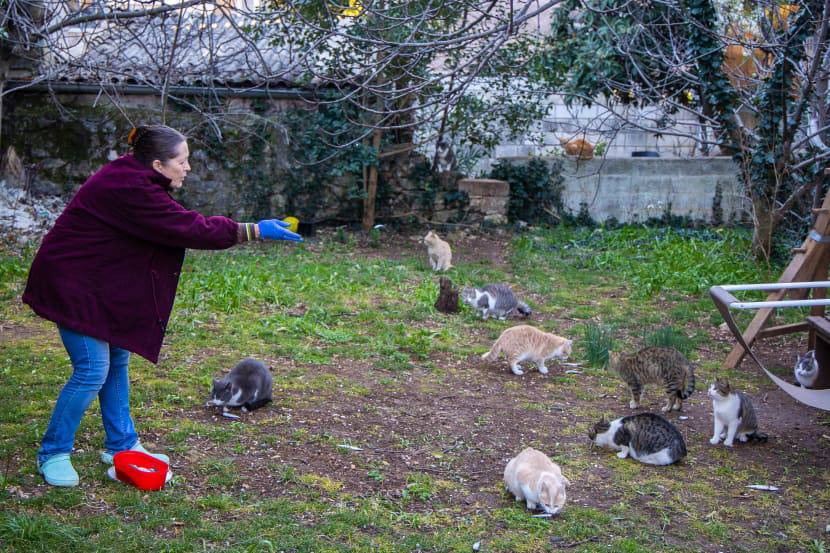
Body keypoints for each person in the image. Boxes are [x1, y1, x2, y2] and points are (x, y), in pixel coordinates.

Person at [21, 124, 302, 487]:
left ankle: (122, 445)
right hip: (72, 285)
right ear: (157, 164)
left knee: (117, 360)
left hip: (98, 284)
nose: (187, 168)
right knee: (92, 369)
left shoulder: (135, 176)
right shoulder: (131, 189)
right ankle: (54, 452)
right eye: (181, 161)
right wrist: (254, 230)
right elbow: (188, 227)